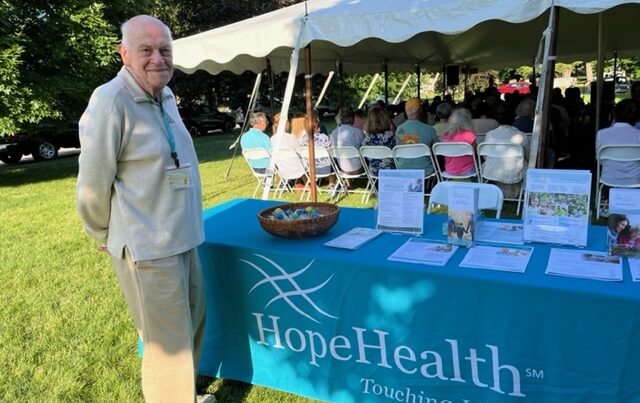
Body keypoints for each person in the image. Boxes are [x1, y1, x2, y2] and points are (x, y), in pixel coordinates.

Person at [76, 15, 206, 403]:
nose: (157, 59)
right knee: (168, 343)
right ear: (124, 53)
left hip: (183, 235)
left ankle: (186, 394)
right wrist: (103, 232)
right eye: (146, 50)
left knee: (192, 323)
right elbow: (93, 182)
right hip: (148, 245)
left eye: (165, 50)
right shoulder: (110, 100)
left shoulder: (165, 94)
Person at [480, 103, 529, 186]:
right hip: (514, 175)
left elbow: (485, 157)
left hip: (491, 173)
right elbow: (527, 156)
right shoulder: (522, 136)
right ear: (514, 117)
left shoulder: (489, 134)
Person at [595, 99, 640, 186]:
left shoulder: (602, 134)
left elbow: (599, 160)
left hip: (608, 180)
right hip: (636, 180)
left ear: (614, 114)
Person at [394, 97, 438, 175]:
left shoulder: (399, 129)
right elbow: (436, 151)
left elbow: (400, 148)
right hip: (425, 170)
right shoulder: (429, 129)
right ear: (420, 110)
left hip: (404, 168)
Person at [441, 108, 477, 176]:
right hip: (468, 171)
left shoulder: (446, 135)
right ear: (468, 121)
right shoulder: (470, 135)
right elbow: (475, 152)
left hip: (449, 171)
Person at [362, 105, 397, 176]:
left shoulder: (367, 138)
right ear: (385, 119)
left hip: (374, 172)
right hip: (391, 171)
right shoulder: (390, 136)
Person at [330, 106, 364, 174]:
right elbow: (363, 147)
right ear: (352, 118)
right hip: (358, 167)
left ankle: (347, 183)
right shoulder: (357, 132)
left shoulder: (334, 133)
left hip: (342, 167)